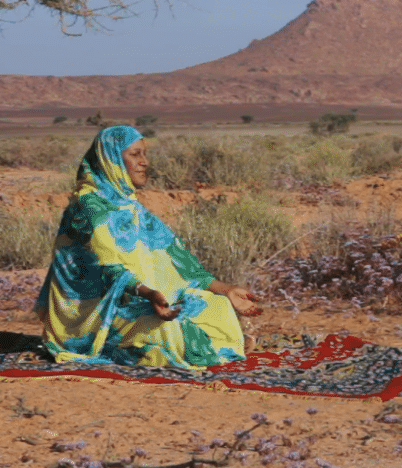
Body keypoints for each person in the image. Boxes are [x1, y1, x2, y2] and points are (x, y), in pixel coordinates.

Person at [35, 125, 262, 367]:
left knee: (218, 308)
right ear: (110, 159)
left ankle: (200, 344)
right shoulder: (90, 207)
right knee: (171, 330)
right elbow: (108, 270)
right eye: (135, 155)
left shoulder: (129, 205)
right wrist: (147, 293)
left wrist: (225, 289)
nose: (145, 162)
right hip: (98, 309)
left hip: (143, 297)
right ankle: (135, 347)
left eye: (145, 154)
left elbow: (178, 259)